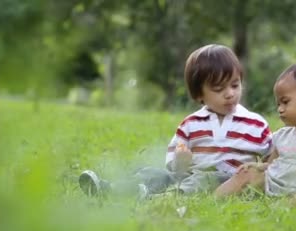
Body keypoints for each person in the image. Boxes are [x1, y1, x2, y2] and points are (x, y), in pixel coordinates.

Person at [79, 44, 273, 198]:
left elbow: (272, 160)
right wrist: (180, 162)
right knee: (153, 173)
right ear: (199, 94)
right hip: (188, 176)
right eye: (218, 89)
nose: (230, 94)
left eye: (235, 85)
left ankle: (156, 198)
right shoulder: (191, 124)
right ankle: (112, 189)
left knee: (203, 181)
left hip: (228, 181)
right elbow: (174, 164)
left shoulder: (256, 124)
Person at [214, 59, 296, 205]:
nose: (280, 109)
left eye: (285, 102)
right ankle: (212, 200)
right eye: (278, 104)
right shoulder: (282, 135)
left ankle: (279, 207)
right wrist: (258, 167)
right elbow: (272, 164)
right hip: (273, 184)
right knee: (247, 174)